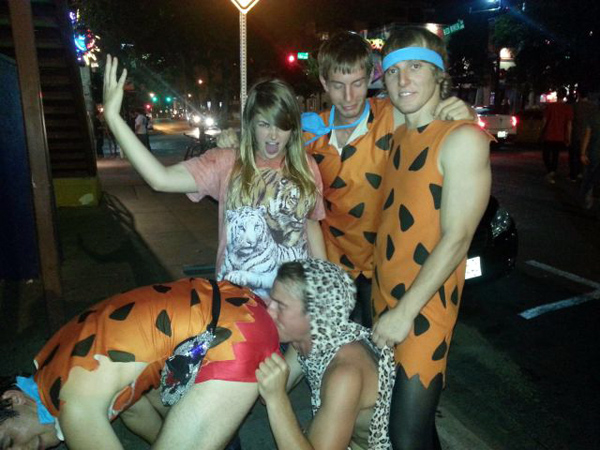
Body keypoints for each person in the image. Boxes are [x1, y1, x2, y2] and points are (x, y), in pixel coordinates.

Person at [103, 55, 326, 300]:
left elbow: (311, 226)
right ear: (251, 123)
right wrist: (113, 119)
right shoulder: (226, 162)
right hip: (239, 304)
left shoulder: (306, 166)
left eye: (282, 125)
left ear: (293, 127)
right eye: (264, 124)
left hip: (294, 304)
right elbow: (160, 178)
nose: (273, 135)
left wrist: (325, 287)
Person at [370, 27, 492, 449]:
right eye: (393, 71)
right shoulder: (398, 134)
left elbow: (458, 238)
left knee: (404, 436)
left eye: (416, 67)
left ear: (440, 75)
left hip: (425, 304)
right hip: (385, 294)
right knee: (418, 430)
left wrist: (404, 313)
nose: (403, 80)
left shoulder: (463, 138)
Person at [302, 31, 475, 327]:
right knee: (335, 347)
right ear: (324, 83)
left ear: (372, 77)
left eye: (358, 84)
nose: (348, 97)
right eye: (338, 86)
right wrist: (231, 143)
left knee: (381, 347)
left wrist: (466, 113)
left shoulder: (392, 115)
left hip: (385, 266)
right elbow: (263, 144)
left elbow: (437, 119)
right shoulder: (309, 132)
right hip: (332, 263)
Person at [0, 277, 279, 450]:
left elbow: (84, 414)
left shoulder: (74, 405)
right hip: (234, 303)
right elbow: (134, 410)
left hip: (233, 334)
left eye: (9, 442)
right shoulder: (54, 370)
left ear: (14, 399)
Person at [256, 259, 396, 450]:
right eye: (271, 300)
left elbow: (272, 394)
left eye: (280, 306)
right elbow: (265, 391)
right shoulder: (305, 340)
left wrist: (277, 399)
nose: (269, 311)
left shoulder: (346, 373)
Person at [541, 87, 573, 184]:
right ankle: (552, 171)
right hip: (560, 135)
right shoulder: (567, 108)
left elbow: (544, 121)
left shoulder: (550, 106)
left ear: (557, 95)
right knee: (555, 154)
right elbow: (569, 124)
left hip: (549, 134)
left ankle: (550, 170)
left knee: (546, 154)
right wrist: (568, 137)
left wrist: (542, 131)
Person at [571, 87, 597, 181]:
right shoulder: (593, 107)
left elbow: (571, 121)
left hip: (577, 134)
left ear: (578, 94)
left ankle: (574, 175)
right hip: (589, 135)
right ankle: (583, 173)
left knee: (574, 156)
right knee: (587, 155)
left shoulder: (575, 106)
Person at [579, 108, 600, 209]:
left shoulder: (593, 117)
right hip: (594, 151)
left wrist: (583, 153)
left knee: (589, 175)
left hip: (594, 151)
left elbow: (587, 136)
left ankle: (587, 195)